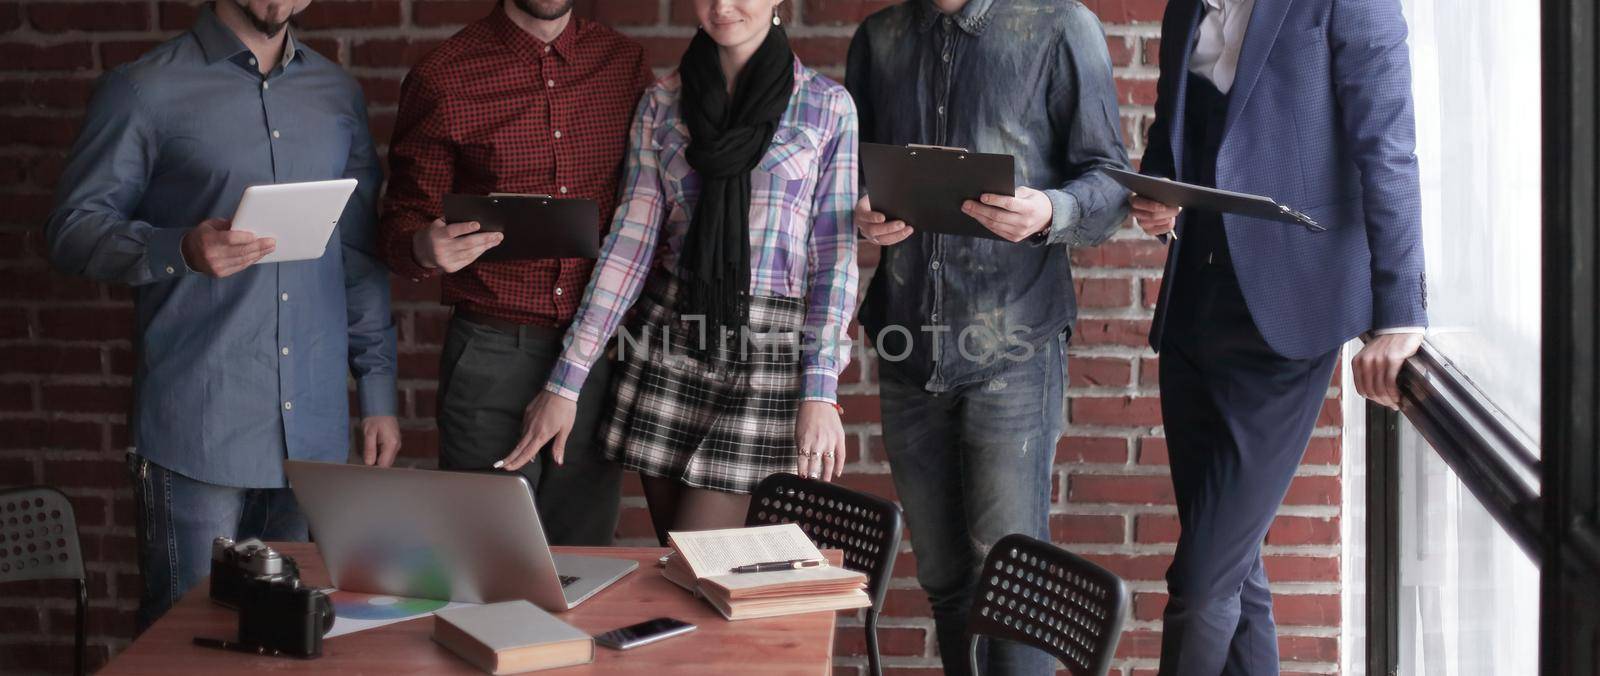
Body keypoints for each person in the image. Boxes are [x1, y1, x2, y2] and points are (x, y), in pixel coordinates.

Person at [42, 0, 398, 629]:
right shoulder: (142, 89)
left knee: (291, 637)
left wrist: (376, 391)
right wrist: (176, 248)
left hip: (312, 435)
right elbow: (71, 231)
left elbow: (358, 254)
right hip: (196, 429)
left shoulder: (337, 92)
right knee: (184, 640)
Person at [1129, 0, 1426, 673]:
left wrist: (1400, 315)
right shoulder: (1186, 8)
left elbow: (1390, 147)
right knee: (1236, 571)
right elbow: (1177, 137)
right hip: (1192, 312)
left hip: (1286, 317)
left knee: (1202, 580)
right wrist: (1157, 192)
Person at [502, 0, 859, 545]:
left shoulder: (826, 107)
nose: (722, 6)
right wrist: (566, 381)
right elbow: (630, 245)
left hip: (767, 359)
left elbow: (834, 260)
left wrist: (819, 389)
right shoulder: (662, 103)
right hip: (670, 346)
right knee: (681, 573)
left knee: (704, 559)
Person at [845, 1, 1132, 673]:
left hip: (1014, 347)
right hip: (908, 347)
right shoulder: (880, 38)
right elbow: (856, 171)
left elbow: (1111, 184)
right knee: (947, 584)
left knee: (1014, 595)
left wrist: (1050, 211)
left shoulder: (1062, 25)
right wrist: (863, 211)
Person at [377, 0, 651, 547]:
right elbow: (399, 221)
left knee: (585, 555)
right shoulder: (444, 74)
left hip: (594, 354)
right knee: (490, 557)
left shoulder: (625, 65)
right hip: (491, 353)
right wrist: (422, 247)